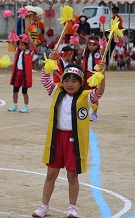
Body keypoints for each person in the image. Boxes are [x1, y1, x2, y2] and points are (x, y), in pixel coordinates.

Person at [32, 58, 106, 218]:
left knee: (72, 175)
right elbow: (44, 79)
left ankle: (72, 207)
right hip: (56, 138)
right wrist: (49, 62)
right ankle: (44, 205)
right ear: (62, 81)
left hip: (74, 141)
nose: (70, 84)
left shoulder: (85, 97)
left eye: (74, 81)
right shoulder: (56, 91)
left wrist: (101, 74)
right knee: (51, 173)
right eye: (66, 80)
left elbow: (99, 92)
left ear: (81, 83)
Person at [75, 35, 102, 121]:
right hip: (85, 75)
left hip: (95, 76)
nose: (91, 47)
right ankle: (85, 110)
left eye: (93, 45)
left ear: (97, 45)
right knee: (85, 93)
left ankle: (94, 113)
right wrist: (76, 42)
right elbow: (80, 49)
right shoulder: (86, 52)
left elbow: (104, 52)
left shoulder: (99, 53)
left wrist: (104, 44)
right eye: (89, 45)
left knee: (94, 95)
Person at [7, 34, 34, 113]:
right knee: (15, 90)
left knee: (24, 91)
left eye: (22, 45)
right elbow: (12, 42)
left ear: (26, 45)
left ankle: (26, 106)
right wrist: (13, 34)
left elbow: (32, 44)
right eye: (20, 45)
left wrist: (28, 34)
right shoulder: (17, 51)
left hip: (25, 74)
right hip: (17, 73)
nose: (21, 46)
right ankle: (15, 105)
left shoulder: (29, 52)